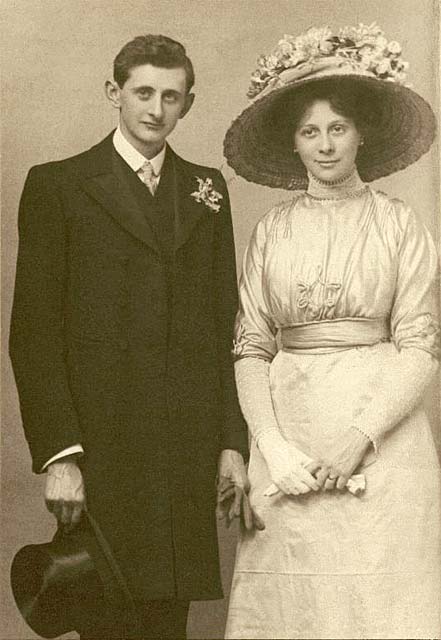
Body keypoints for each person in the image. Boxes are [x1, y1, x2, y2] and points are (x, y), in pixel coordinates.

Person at [9, 34, 256, 640]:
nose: (155, 109)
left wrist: (231, 441)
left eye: (171, 96)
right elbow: (33, 335)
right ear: (113, 93)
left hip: (182, 452)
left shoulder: (208, 190)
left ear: (188, 105)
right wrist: (60, 455)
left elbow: (226, 321)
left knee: (167, 627)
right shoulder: (58, 185)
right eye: (143, 92)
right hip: (101, 449)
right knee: (106, 620)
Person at [223, 23, 441, 640]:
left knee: (380, 605)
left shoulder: (401, 226)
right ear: (293, 143)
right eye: (309, 131)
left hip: (383, 441)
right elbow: (251, 347)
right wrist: (273, 447)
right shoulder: (271, 231)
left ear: (361, 134)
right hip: (289, 439)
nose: (325, 146)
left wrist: (357, 440)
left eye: (337, 129)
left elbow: (421, 346)